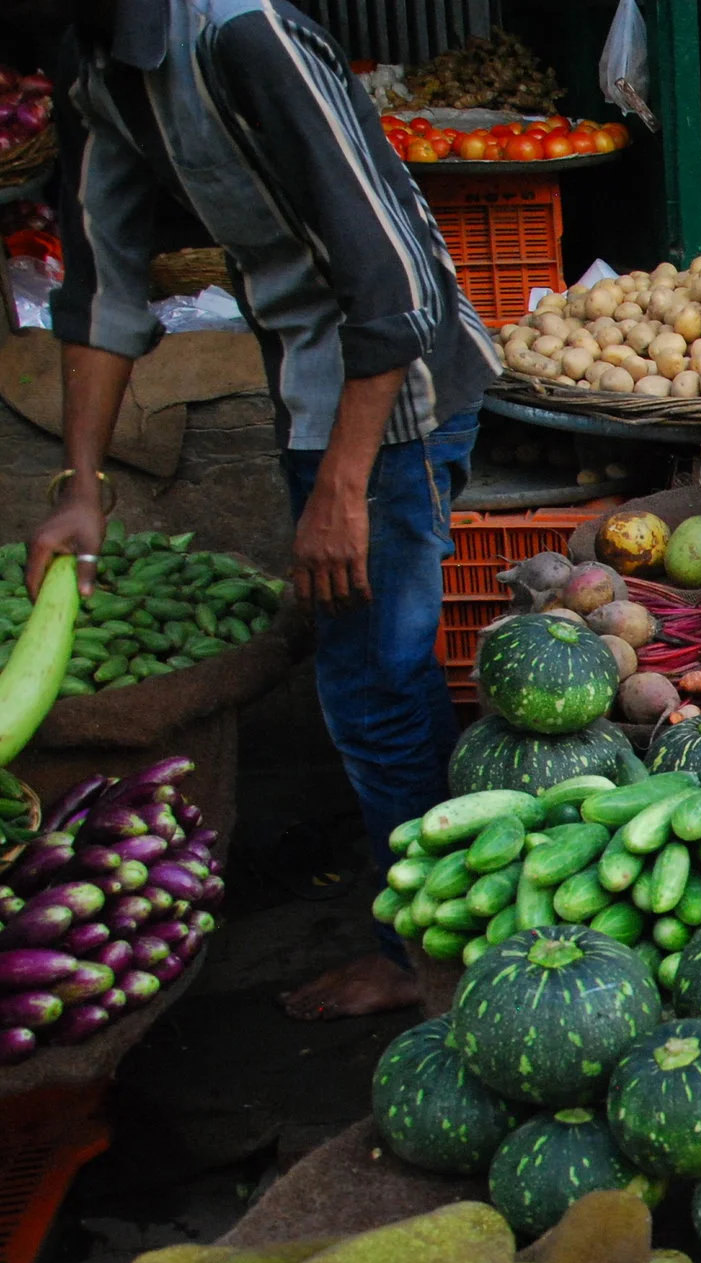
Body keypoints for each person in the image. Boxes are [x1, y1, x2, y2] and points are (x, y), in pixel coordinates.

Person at [26, 0, 499, 1017]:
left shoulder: (247, 35)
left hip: (396, 395)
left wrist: (340, 488)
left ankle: (428, 958)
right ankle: (429, 927)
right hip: (309, 390)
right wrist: (81, 489)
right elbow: (104, 286)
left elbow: (396, 285)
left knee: (377, 683)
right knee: (365, 677)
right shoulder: (96, 59)